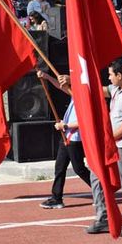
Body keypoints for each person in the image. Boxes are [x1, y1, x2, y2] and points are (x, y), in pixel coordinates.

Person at [87, 57, 122, 236]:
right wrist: (66, 81)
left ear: (120, 75)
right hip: (110, 144)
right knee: (96, 176)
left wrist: (110, 139)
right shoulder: (115, 90)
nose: (109, 78)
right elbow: (92, 90)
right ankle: (102, 216)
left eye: (111, 75)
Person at [37, 71, 91, 209]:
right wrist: (47, 77)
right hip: (66, 135)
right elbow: (63, 87)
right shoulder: (75, 96)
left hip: (75, 137)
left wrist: (64, 125)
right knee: (60, 167)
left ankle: (101, 188)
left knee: (79, 168)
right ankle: (56, 197)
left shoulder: (84, 96)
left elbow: (84, 121)